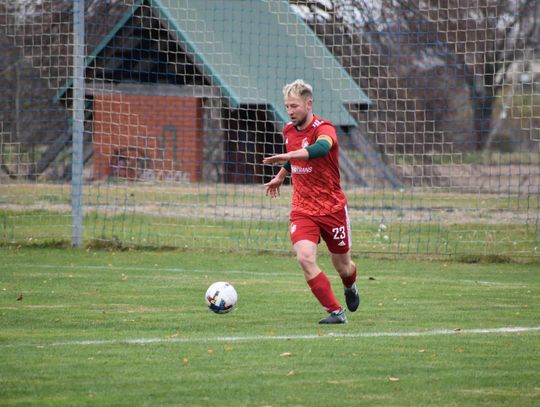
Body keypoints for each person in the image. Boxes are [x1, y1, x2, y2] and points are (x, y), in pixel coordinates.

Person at [263, 79, 359, 324]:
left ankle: (350, 287)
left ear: (309, 104)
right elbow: (295, 160)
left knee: (343, 266)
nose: (290, 111)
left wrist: (288, 156)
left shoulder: (324, 129)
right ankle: (336, 312)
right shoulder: (288, 130)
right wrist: (280, 176)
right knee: (305, 257)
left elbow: (319, 149)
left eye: (294, 105)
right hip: (303, 208)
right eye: (287, 106)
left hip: (332, 208)